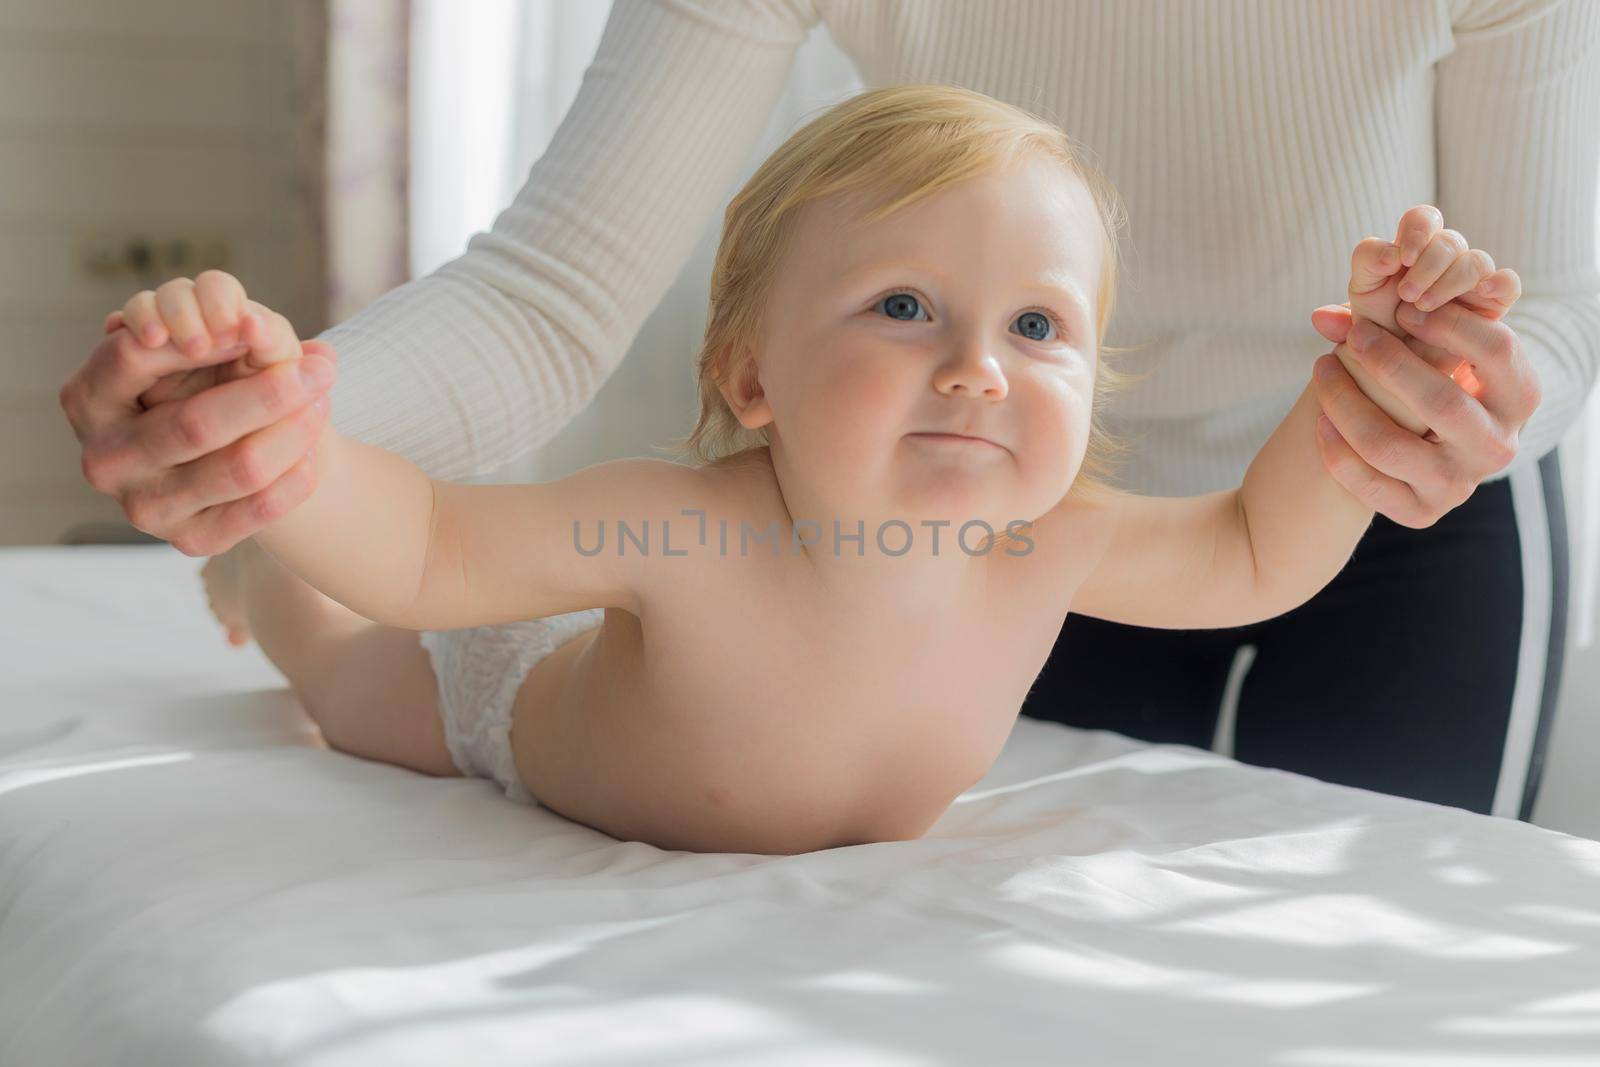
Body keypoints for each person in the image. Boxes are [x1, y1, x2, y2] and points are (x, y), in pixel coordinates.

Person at [60, 3, 1597, 823]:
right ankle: (259, 580)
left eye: (1042, 328)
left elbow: (1263, 540)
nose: (980, 368)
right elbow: (436, 548)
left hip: (1427, 534)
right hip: (513, 719)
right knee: (351, 672)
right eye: (907, 307)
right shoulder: (679, 527)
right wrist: (277, 443)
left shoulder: (1045, 541)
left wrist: (1384, 383)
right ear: (746, 379)